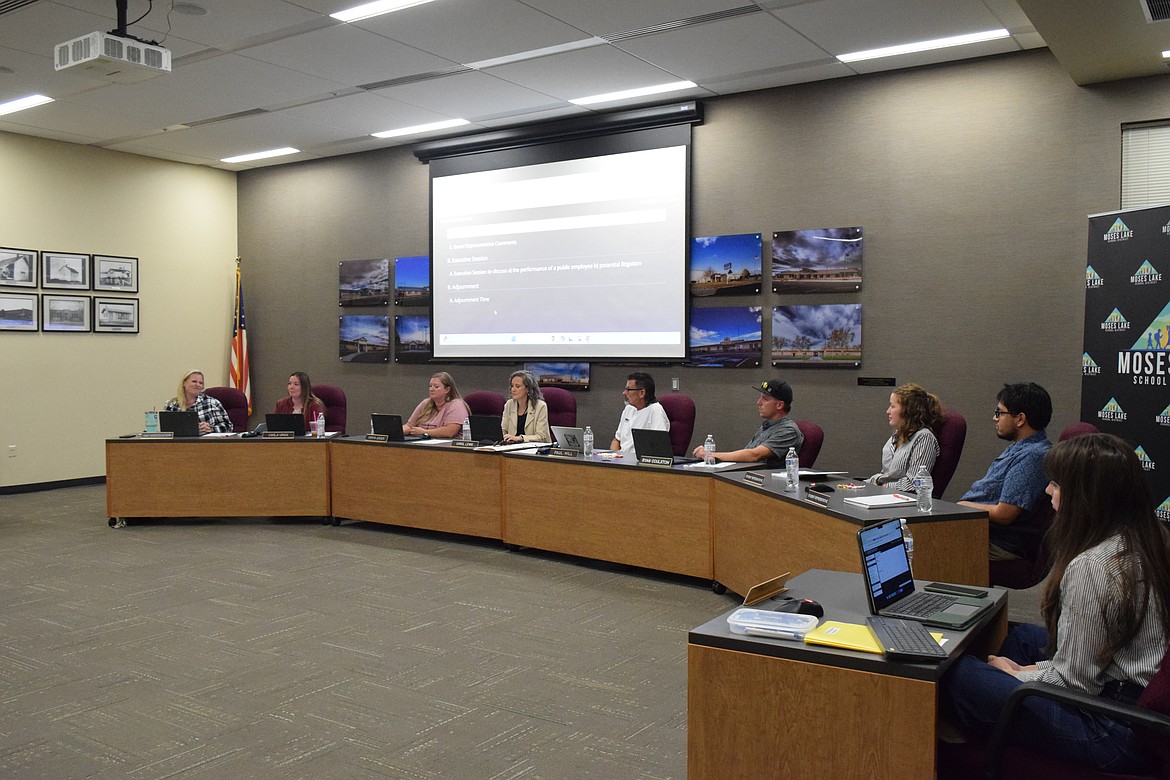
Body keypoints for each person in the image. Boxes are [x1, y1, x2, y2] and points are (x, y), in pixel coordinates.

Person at [942, 433, 1170, 774]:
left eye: (1056, 484)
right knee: (1022, 639)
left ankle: (978, 740)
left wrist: (1019, 676)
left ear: (1086, 498)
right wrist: (1025, 670)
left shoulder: (1094, 567)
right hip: (1137, 702)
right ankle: (997, 719)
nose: (1048, 491)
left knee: (956, 674)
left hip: (1115, 730)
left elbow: (1078, 683)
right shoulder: (1152, 536)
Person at [958, 382, 1053, 559]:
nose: (995, 418)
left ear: (1020, 419)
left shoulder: (1032, 456)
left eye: (999, 413)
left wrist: (962, 506)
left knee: (924, 547)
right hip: (979, 529)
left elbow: (1004, 515)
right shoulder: (1021, 447)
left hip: (999, 542)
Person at [692, 379, 802, 467]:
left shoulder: (788, 430)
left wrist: (711, 455)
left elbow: (754, 455)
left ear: (779, 405)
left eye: (765, 399)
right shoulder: (767, 426)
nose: (759, 403)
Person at [867, 383, 943, 491]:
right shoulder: (897, 435)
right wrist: (873, 482)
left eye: (893, 406)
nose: (888, 411)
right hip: (884, 493)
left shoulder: (924, 438)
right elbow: (886, 474)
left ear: (908, 411)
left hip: (902, 499)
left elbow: (915, 483)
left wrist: (884, 486)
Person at [610, 372, 670, 455]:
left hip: (640, 462)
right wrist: (615, 457)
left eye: (628, 389)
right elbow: (616, 440)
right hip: (622, 460)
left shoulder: (655, 410)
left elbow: (658, 446)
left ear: (642, 393)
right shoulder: (628, 409)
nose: (624, 393)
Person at [163, 369, 233, 434]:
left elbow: (229, 427)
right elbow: (165, 429)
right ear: (184, 383)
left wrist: (211, 429)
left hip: (206, 444)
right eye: (194, 381)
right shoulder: (172, 405)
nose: (198, 385)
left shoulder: (212, 403)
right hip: (179, 445)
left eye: (201, 383)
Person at [404, 371, 469, 439]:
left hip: (446, 446)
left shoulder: (456, 405)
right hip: (423, 443)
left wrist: (424, 432)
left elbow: (450, 432)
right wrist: (398, 431)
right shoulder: (425, 403)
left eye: (436, 387)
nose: (431, 389)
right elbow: (409, 426)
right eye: (430, 386)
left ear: (447, 389)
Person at [501, 370, 550, 443]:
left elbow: (541, 436)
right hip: (511, 448)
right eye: (512, 386)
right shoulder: (509, 404)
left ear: (528, 389)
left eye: (517, 386)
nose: (513, 389)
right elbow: (504, 430)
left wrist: (520, 438)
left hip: (534, 449)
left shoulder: (540, 406)